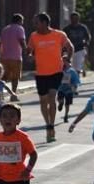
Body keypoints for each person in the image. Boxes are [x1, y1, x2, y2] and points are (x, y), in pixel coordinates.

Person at [27, 12, 74, 143]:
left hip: (56, 71)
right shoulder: (33, 36)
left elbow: (70, 47)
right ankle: (47, 123)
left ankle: (51, 126)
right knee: (43, 101)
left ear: (44, 23)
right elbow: (29, 50)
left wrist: (68, 58)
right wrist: (29, 55)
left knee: (52, 97)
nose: (34, 25)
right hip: (41, 73)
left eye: (36, 22)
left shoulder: (59, 35)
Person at [0, 14, 27, 94]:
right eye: (22, 21)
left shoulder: (5, 29)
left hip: (4, 57)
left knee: (3, 77)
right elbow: (22, 40)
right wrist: (26, 51)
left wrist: (0, 54)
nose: (22, 23)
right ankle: (13, 93)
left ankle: (0, 93)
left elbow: (0, 43)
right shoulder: (20, 28)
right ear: (19, 21)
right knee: (15, 77)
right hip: (16, 57)